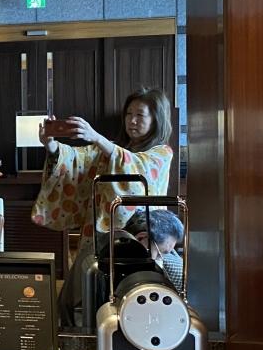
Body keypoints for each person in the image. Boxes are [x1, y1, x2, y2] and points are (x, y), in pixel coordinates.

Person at [31, 87, 175, 322]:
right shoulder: (112, 149)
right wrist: (51, 145)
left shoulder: (161, 153)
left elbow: (137, 167)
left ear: (157, 119)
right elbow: (77, 160)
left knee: (122, 299)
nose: (132, 121)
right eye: (129, 114)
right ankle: (78, 334)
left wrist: (97, 138)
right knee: (81, 292)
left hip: (138, 241)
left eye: (140, 115)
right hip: (99, 235)